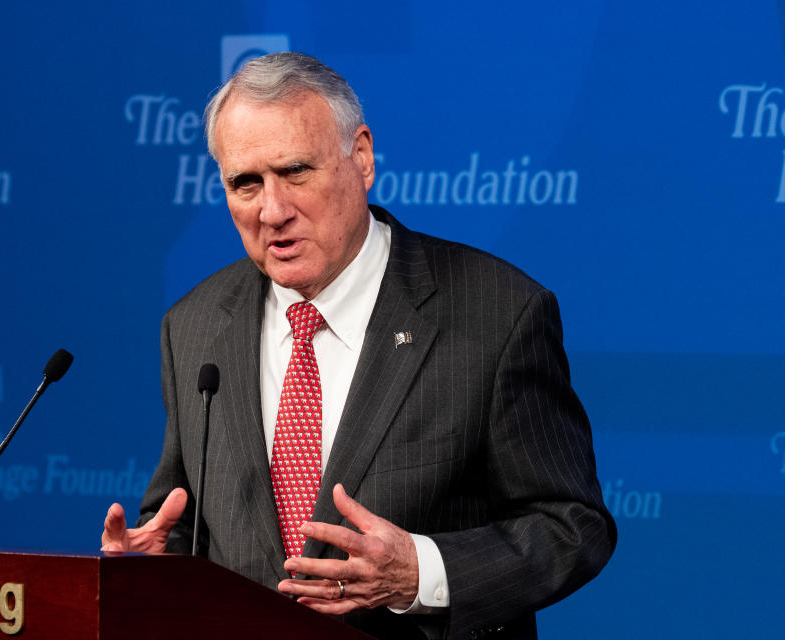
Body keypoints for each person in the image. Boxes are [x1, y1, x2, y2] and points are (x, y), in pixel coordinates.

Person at [102, 52, 615, 640]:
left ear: (362, 157)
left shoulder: (495, 312)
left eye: (296, 172)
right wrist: (147, 568)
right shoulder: (192, 326)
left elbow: (572, 526)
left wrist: (422, 574)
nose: (273, 210)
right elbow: (181, 519)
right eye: (246, 183)